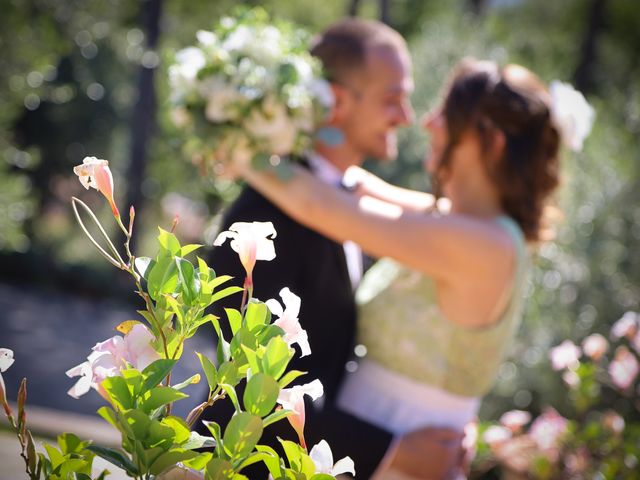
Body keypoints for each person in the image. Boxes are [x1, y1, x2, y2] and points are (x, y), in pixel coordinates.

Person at [221, 58, 591, 478]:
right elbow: (355, 185)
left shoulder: (485, 245)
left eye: (446, 115)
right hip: (360, 448)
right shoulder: (465, 225)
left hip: (411, 458)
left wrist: (232, 138)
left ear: (494, 142)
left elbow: (322, 207)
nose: (428, 123)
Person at [201, 18, 464, 479]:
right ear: (338, 101)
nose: (406, 115)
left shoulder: (347, 204)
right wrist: (393, 450)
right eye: (391, 98)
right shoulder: (262, 221)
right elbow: (250, 396)